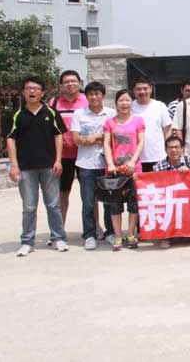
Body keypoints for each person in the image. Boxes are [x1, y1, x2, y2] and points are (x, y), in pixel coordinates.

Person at [7, 77, 69, 256]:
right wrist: (14, 165)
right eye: (28, 88)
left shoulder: (51, 112)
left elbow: (58, 136)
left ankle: (58, 238)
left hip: (49, 167)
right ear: (23, 92)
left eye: (35, 88)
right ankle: (27, 241)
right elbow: (10, 139)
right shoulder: (17, 114)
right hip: (25, 168)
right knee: (29, 206)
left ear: (42, 93)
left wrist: (58, 160)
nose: (32, 91)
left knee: (53, 205)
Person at [71, 82, 116, 250]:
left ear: (103, 96)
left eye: (97, 94)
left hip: (107, 163)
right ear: (86, 96)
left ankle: (110, 232)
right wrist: (100, 138)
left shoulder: (111, 113)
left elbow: (115, 136)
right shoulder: (79, 114)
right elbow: (76, 139)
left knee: (109, 201)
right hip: (86, 164)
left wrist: (95, 137)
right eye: (90, 94)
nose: (94, 97)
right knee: (88, 202)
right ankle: (89, 235)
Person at [103, 89, 145, 251]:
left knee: (134, 203)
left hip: (134, 169)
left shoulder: (138, 121)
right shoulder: (110, 122)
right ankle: (118, 236)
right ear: (116, 103)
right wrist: (110, 164)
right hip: (115, 170)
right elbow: (106, 144)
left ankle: (131, 234)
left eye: (127, 100)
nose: (124, 103)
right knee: (115, 204)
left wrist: (133, 162)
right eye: (121, 100)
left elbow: (141, 142)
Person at [49, 70, 88, 231]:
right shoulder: (54, 103)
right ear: (61, 85)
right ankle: (59, 230)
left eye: (73, 81)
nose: (70, 84)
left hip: (85, 155)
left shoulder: (87, 100)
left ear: (79, 82)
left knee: (89, 195)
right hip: (63, 156)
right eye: (66, 81)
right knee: (62, 193)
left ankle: (93, 228)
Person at [152, 135, 190, 249]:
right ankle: (166, 236)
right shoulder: (158, 166)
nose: (174, 150)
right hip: (167, 199)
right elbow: (155, 187)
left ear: (182, 149)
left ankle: (188, 233)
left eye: (176, 147)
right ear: (165, 150)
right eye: (170, 148)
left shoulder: (189, 162)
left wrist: (189, 173)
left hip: (185, 198)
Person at [131, 76, 172, 173]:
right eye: (138, 89)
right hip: (135, 159)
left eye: (145, 88)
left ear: (151, 89)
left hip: (158, 156)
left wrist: (168, 150)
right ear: (134, 91)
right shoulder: (129, 106)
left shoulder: (160, 106)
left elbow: (167, 130)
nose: (142, 92)